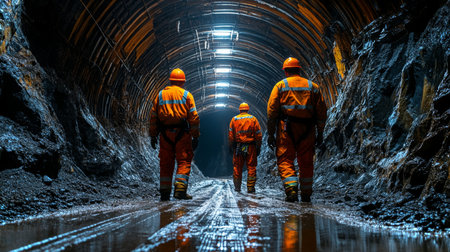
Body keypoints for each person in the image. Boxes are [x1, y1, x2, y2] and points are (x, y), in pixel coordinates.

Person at [267, 57, 327, 202]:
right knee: (306, 161)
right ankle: (306, 194)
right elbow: (321, 113)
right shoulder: (313, 86)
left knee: (286, 159)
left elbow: (272, 111)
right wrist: (320, 132)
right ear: (299, 69)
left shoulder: (280, 86)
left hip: (286, 128)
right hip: (308, 129)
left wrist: (270, 133)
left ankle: (291, 189)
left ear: (285, 71)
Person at [149, 68, 200, 201]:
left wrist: (153, 135)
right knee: (183, 161)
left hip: (165, 134)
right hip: (182, 134)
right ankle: (180, 191)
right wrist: (195, 135)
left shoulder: (160, 95)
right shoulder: (187, 95)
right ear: (183, 82)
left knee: (166, 162)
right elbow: (193, 117)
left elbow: (153, 117)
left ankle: (165, 193)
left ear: (170, 81)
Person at [228, 102, 262, 193]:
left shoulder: (234, 119)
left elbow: (231, 135)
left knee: (237, 167)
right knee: (251, 167)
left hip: (239, 147)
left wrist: (231, 146)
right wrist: (258, 146)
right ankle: (250, 188)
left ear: (239, 109)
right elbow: (258, 134)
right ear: (248, 109)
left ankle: (237, 187)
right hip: (250, 147)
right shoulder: (253, 119)